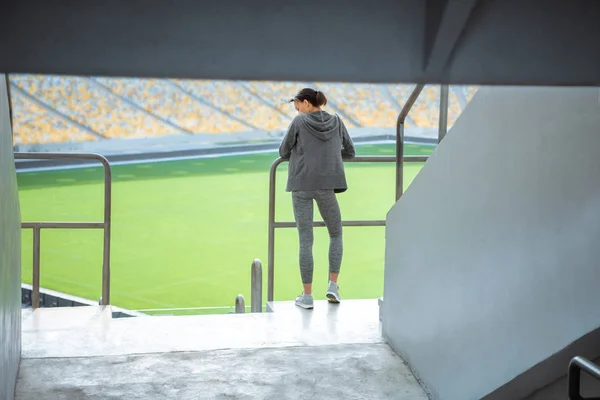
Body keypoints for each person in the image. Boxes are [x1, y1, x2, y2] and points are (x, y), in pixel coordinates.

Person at [279, 88, 356, 309]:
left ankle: (307, 296)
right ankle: (333, 286)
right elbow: (350, 152)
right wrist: (328, 156)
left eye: (296, 105)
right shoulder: (337, 121)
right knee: (336, 234)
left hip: (301, 186)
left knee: (306, 241)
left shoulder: (299, 122)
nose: (296, 109)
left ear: (305, 103)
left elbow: (283, 151)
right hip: (327, 186)